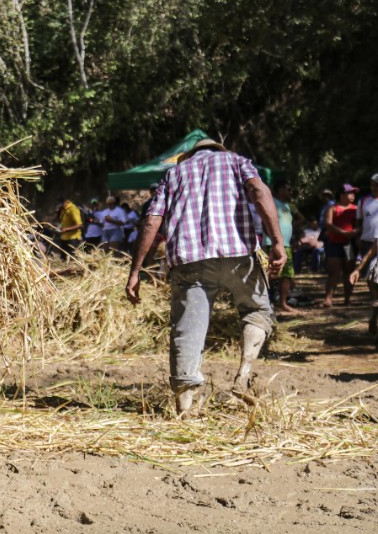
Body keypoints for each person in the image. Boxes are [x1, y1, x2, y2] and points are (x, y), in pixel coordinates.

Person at [125, 139, 284, 415]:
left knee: (187, 329)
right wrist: (277, 241)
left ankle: (185, 410)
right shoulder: (236, 161)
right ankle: (243, 376)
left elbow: (152, 220)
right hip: (238, 255)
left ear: (189, 155)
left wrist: (136, 270)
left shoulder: (173, 173)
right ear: (219, 150)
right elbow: (259, 191)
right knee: (257, 311)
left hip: (190, 261)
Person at [264, 180, 305, 312]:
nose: (290, 192)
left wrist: (290, 228)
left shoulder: (289, 206)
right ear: (280, 190)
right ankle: (266, 302)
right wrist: (272, 238)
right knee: (269, 272)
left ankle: (283, 303)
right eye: (288, 189)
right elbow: (265, 220)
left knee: (286, 274)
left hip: (285, 244)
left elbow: (302, 219)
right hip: (272, 243)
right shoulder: (272, 202)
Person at [320, 184, 359, 307]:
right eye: (349, 193)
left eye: (353, 193)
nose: (352, 195)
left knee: (349, 271)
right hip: (334, 244)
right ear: (341, 195)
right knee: (334, 272)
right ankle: (328, 299)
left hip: (349, 245)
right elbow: (328, 224)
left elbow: (361, 224)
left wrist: (355, 232)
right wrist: (343, 232)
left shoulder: (356, 209)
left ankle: (348, 299)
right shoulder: (332, 208)